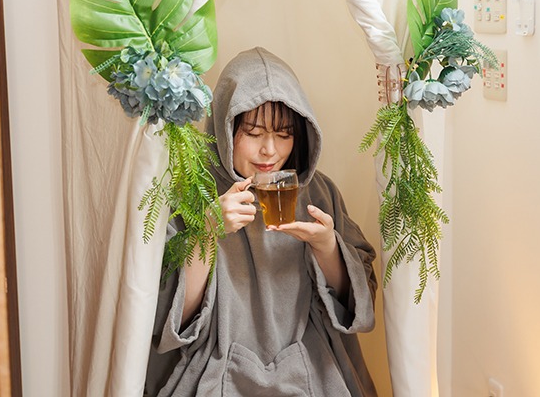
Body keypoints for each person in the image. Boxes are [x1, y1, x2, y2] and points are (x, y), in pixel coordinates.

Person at [145, 47, 378, 396]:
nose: (270, 150)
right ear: (225, 128)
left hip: (312, 365)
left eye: (284, 134)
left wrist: (327, 247)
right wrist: (208, 232)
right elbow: (170, 322)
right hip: (213, 367)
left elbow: (359, 305)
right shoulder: (191, 190)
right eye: (253, 134)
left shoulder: (319, 191)